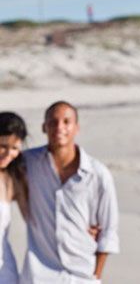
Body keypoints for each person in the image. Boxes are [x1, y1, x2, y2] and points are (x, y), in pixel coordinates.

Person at [20, 101, 119, 284]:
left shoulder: (97, 174)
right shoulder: (28, 164)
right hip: (38, 276)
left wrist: (95, 276)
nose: (59, 127)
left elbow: (108, 231)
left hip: (82, 275)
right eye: (53, 122)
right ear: (44, 127)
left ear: (76, 127)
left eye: (66, 122)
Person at [0, 112, 27, 284]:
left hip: (3, 270)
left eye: (15, 148)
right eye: (3, 145)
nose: (8, 154)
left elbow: (36, 219)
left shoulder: (12, 180)